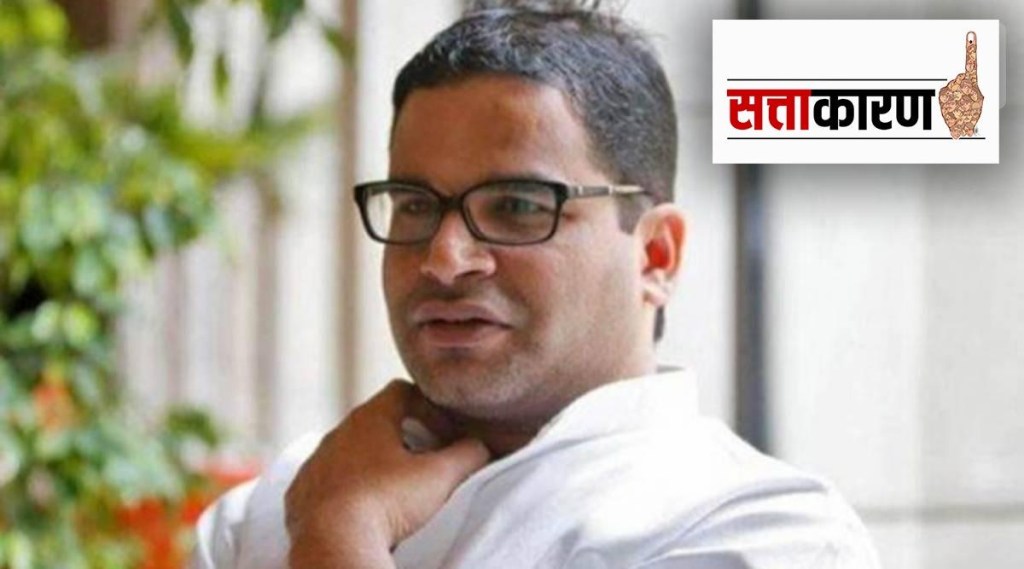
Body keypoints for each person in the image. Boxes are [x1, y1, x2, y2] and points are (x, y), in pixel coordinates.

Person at [192, 2, 881, 567]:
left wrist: (338, 539)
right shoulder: (265, 511)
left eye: (518, 205)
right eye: (415, 204)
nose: (444, 258)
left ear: (656, 256)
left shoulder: (762, 533)